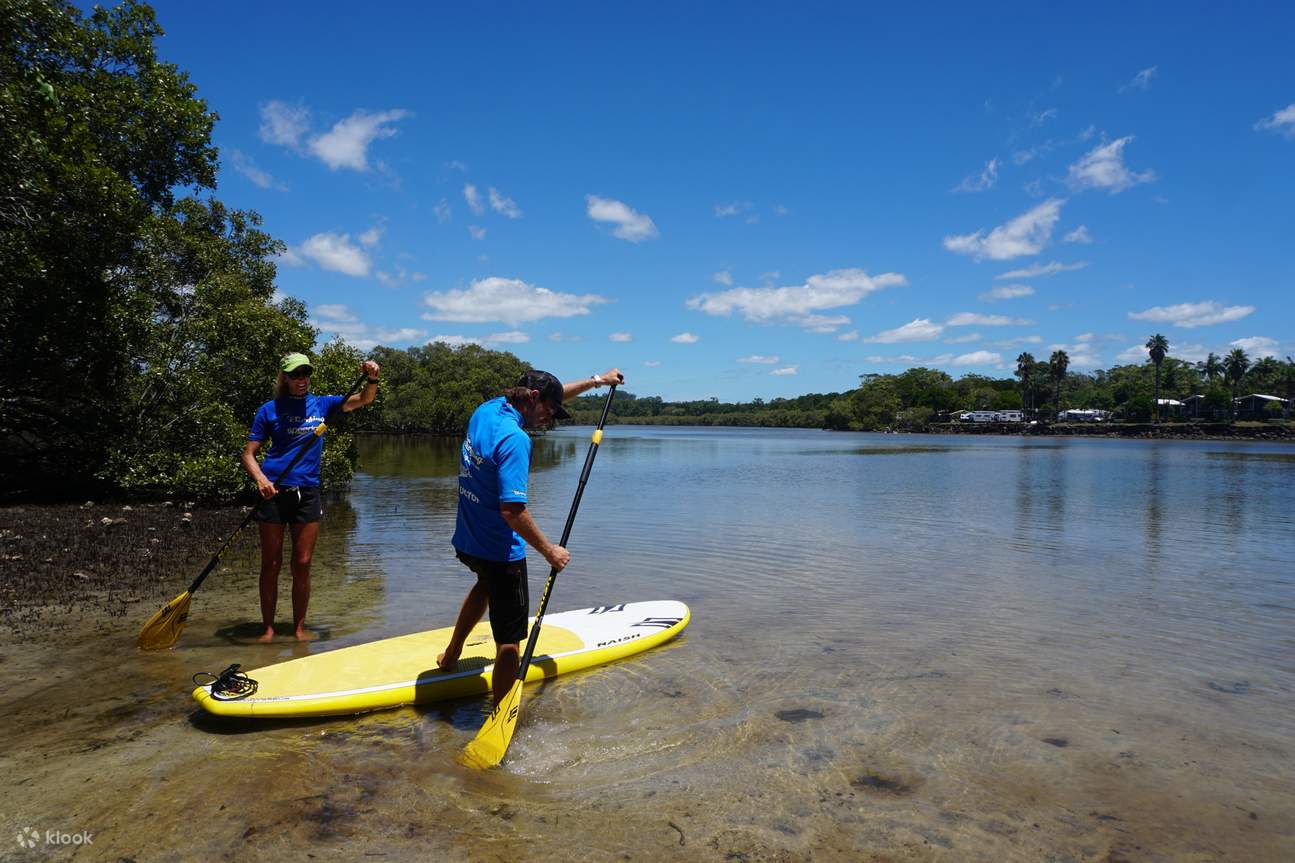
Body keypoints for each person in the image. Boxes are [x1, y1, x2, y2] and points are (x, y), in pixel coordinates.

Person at [437, 367, 623, 702]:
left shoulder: (488, 409)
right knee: (509, 640)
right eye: (549, 411)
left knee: (485, 584)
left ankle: (451, 655)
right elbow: (513, 511)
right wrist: (550, 551)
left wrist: (597, 382)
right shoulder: (515, 439)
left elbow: (553, 393)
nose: (549, 420)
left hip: (468, 538)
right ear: (533, 399)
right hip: (499, 548)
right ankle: (501, 711)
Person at [241, 352, 381, 642]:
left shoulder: (324, 405)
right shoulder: (269, 409)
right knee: (271, 563)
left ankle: (299, 629)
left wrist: (372, 378)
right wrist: (261, 480)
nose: (301, 380)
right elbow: (248, 454)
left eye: (305, 374)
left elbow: (365, 399)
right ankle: (267, 629)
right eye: (295, 375)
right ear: (285, 378)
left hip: (308, 492)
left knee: (303, 562)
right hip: (275, 492)